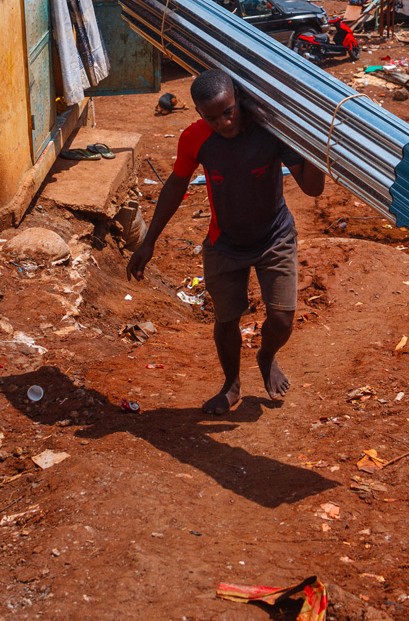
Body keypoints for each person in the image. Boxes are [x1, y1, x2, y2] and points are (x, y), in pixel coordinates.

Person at [127, 69, 325, 415]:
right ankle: (231, 383)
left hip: (274, 237)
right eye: (212, 117)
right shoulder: (195, 138)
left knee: (281, 319)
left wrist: (314, 144)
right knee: (227, 319)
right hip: (225, 243)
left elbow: (312, 188)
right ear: (199, 114)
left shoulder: (270, 131)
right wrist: (149, 240)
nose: (223, 122)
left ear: (239, 98)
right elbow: (176, 185)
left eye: (229, 111)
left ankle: (266, 356)